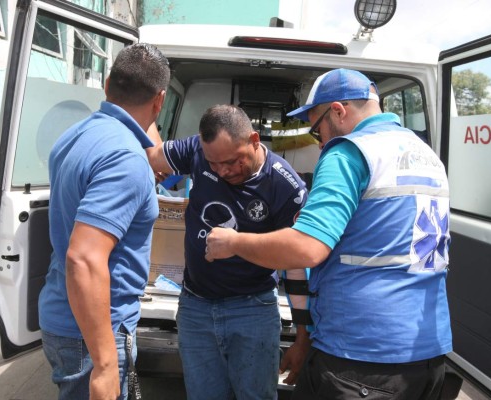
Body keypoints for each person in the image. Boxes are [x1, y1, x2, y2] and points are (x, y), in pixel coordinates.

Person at [205, 69, 452, 400]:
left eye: (315, 127)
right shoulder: (425, 154)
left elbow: (307, 248)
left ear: (338, 110)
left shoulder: (349, 153)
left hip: (361, 355)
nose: (318, 139)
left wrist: (234, 242)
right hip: (427, 352)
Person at [146, 104, 312, 400]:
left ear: (254, 140)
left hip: (252, 310)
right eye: (214, 164)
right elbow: (152, 155)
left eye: (233, 161)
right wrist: (152, 170)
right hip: (195, 307)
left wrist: (302, 337)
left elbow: (296, 263)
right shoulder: (196, 150)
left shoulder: (286, 187)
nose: (224, 171)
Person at [38, 43, 170, 400]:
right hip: (92, 332)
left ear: (107, 83)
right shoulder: (126, 158)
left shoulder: (75, 136)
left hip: (65, 318)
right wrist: (107, 363)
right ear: (159, 102)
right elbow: (83, 258)